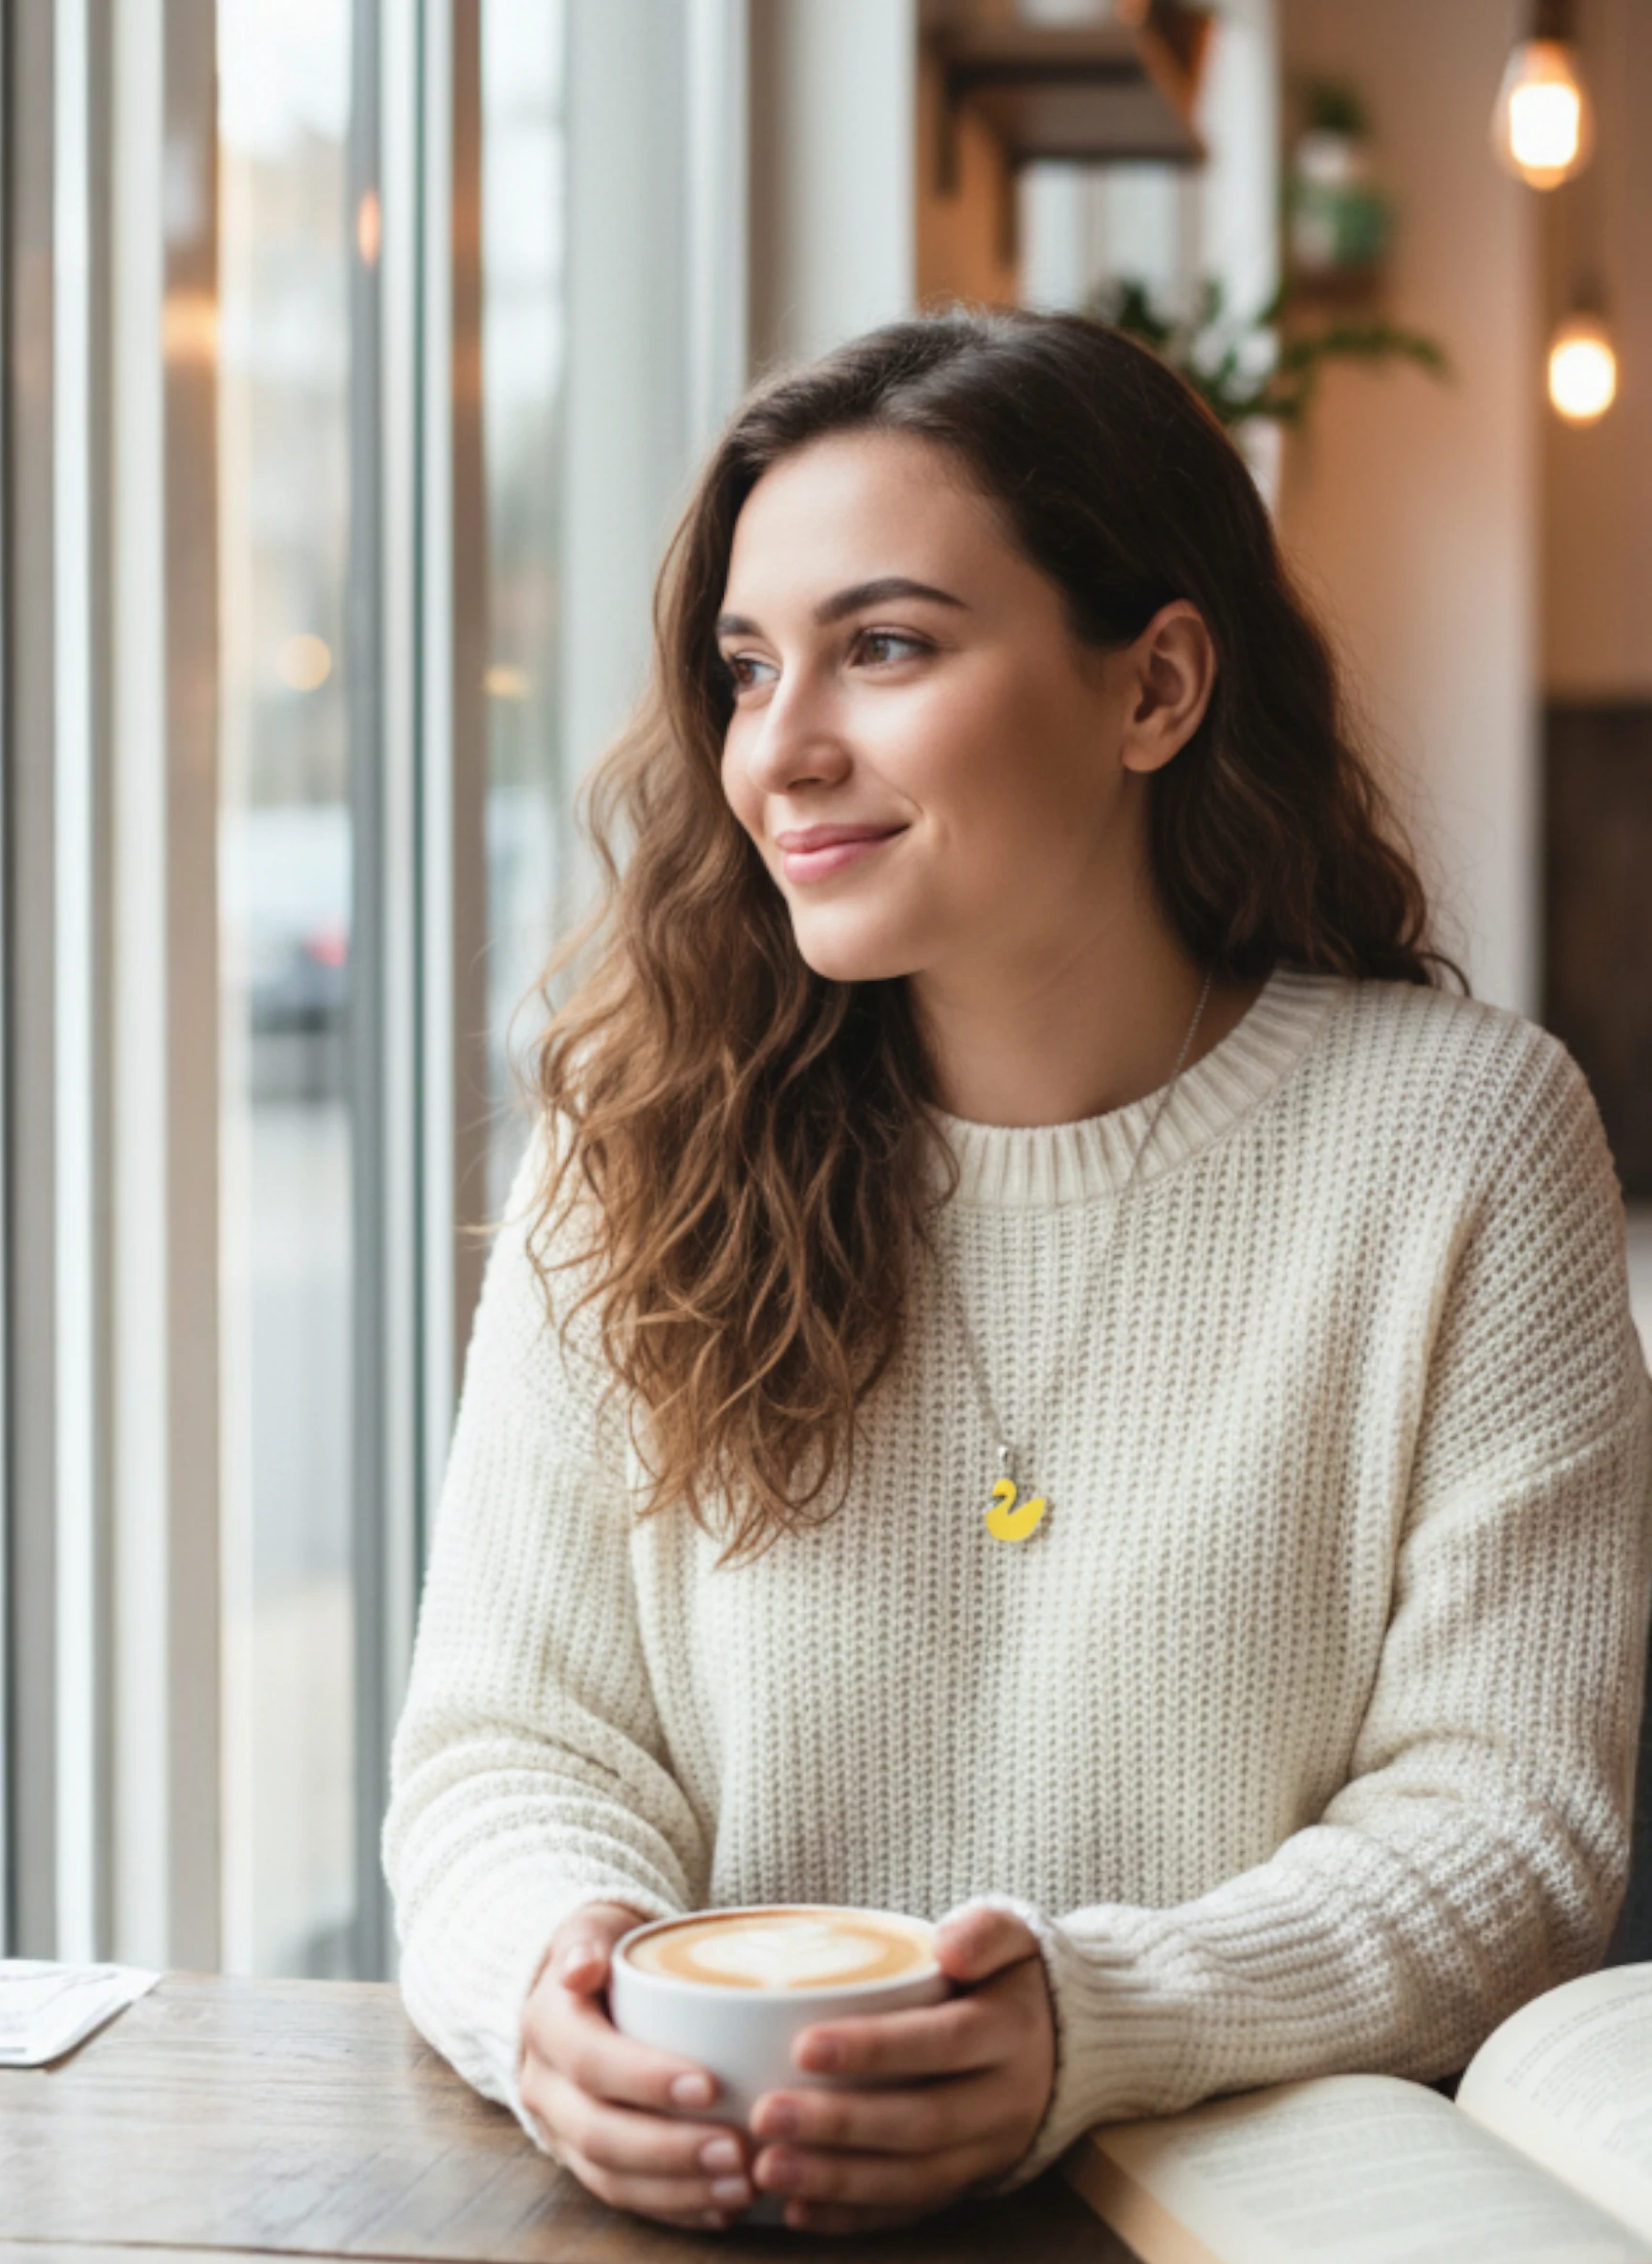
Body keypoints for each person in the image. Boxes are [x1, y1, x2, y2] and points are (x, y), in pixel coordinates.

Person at [382, 309, 1652, 2238]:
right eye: (746, 669)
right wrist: (561, 1989)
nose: (780, 750)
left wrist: (1093, 2017)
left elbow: (1505, 1820)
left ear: (1155, 688)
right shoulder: (635, 1133)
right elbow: (510, 1747)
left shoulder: (1463, 1138)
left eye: (883, 645)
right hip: (717, 2212)